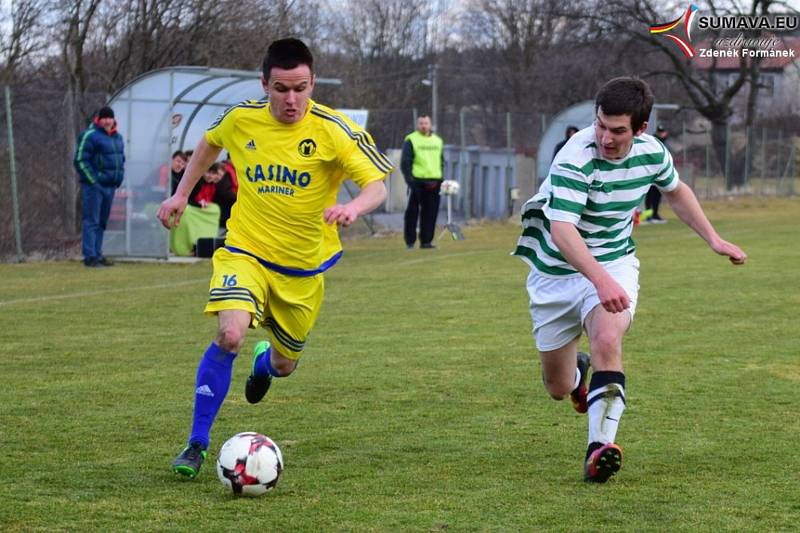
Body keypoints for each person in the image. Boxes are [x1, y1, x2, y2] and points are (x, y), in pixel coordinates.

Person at [157, 38, 392, 479]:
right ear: (264, 83)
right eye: (281, 88)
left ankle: (267, 364)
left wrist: (353, 208)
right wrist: (181, 194)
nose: (292, 100)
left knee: (286, 365)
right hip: (245, 251)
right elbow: (209, 143)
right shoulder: (242, 118)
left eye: (301, 88)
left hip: (303, 270)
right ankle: (196, 443)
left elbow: (377, 185)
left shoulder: (335, 130)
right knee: (229, 335)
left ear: (312, 82)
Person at [513, 77, 746, 483]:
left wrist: (714, 238)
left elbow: (676, 191)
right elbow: (562, 231)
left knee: (607, 337)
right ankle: (575, 378)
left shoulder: (652, 153)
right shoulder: (575, 156)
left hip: (614, 261)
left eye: (618, 130)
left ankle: (598, 449)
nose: (605, 137)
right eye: (601, 125)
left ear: (640, 129)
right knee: (556, 386)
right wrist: (599, 281)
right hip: (555, 271)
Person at [73, 106, 125, 267]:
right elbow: (80, 160)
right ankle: (90, 257)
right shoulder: (90, 135)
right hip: (94, 187)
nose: (107, 121)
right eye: (104, 118)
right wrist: (93, 180)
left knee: (102, 222)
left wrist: (117, 179)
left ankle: (98, 253)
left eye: (110, 117)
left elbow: (120, 160)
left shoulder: (117, 137)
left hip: (110, 186)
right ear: (99, 119)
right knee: (91, 221)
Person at [401, 115, 444, 249]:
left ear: (430, 124)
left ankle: (426, 241)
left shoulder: (437, 141)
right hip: (417, 181)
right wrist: (410, 180)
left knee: (430, 213)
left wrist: (441, 178)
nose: (423, 126)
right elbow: (405, 161)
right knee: (412, 213)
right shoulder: (411, 140)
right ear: (417, 125)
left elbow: (441, 161)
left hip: (434, 182)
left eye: (426, 123)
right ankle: (410, 241)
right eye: (421, 123)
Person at [644, 126, 670, 223]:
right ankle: (648, 215)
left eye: (662, 132)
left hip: (660, 173)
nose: (661, 134)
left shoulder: (665, 143)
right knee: (650, 195)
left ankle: (655, 214)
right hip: (651, 173)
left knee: (657, 196)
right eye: (659, 132)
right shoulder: (653, 142)